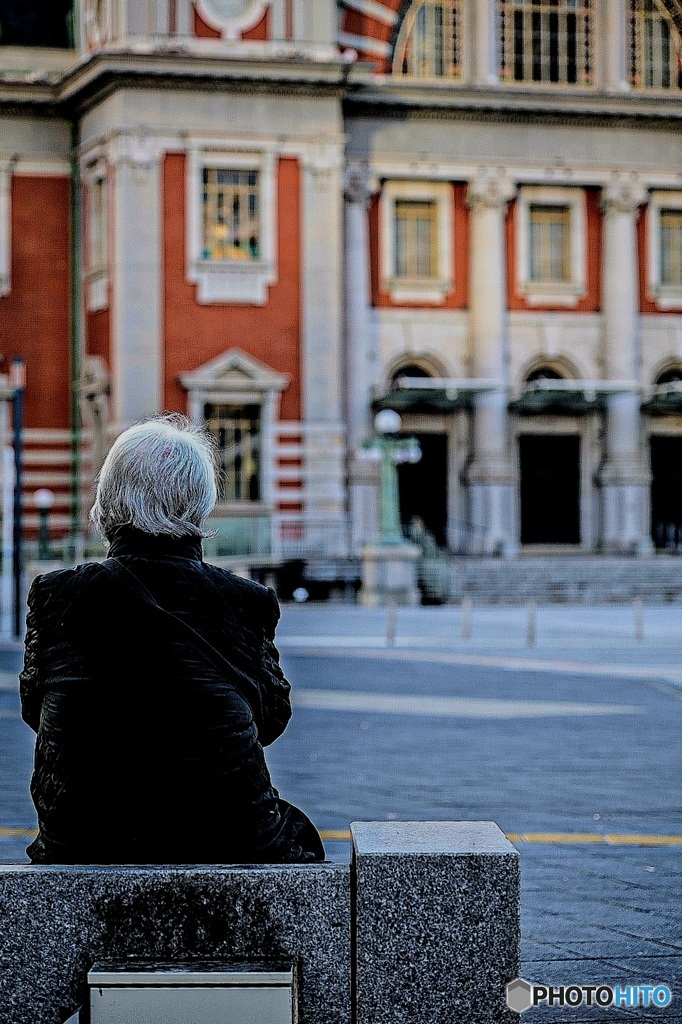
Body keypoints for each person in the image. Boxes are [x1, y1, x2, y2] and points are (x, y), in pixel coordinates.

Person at [19, 413, 324, 865]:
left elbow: (33, 707)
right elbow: (272, 719)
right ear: (199, 503)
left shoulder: (56, 594)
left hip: (81, 831)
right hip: (229, 828)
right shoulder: (246, 601)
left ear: (109, 499)